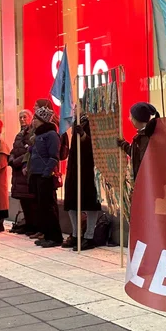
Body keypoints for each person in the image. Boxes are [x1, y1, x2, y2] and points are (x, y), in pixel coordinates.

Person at [63, 113, 102, 250]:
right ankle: (76, 233)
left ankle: (89, 235)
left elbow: (98, 143)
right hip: (75, 165)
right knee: (71, 200)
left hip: (89, 166)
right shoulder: (77, 121)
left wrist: (84, 136)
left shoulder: (95, 120)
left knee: (90, 200)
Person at [29, 106, 66, 248]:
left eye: (36, 119)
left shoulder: (51, 135)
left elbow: (54, 157)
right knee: (41, 207)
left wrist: (46, 173)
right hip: (37, 174)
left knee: (49, 207)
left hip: (46, 176)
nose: (33, 121)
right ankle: (46, 234)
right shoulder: (38, 135)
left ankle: (55, 237)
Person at [9, 110, 36, 234]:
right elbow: (14, 150)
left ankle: (32, 226)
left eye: (25, 117)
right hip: (18, 173)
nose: (22, 119)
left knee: (30, 203)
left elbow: (29, 152)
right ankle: (28, 224)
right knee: (24, 202)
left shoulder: (32, 133)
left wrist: (17, 162)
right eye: (20, 117)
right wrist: (11, 159)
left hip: (25, 170)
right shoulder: (19, 134)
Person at [118, 102, 159, 181]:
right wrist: (123, 144)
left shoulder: (145, 138)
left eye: (131, 117)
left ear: (136, 119)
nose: (130, 119)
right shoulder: (141, 137)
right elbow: (135, 153)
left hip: (145, 183)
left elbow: (144, 163)